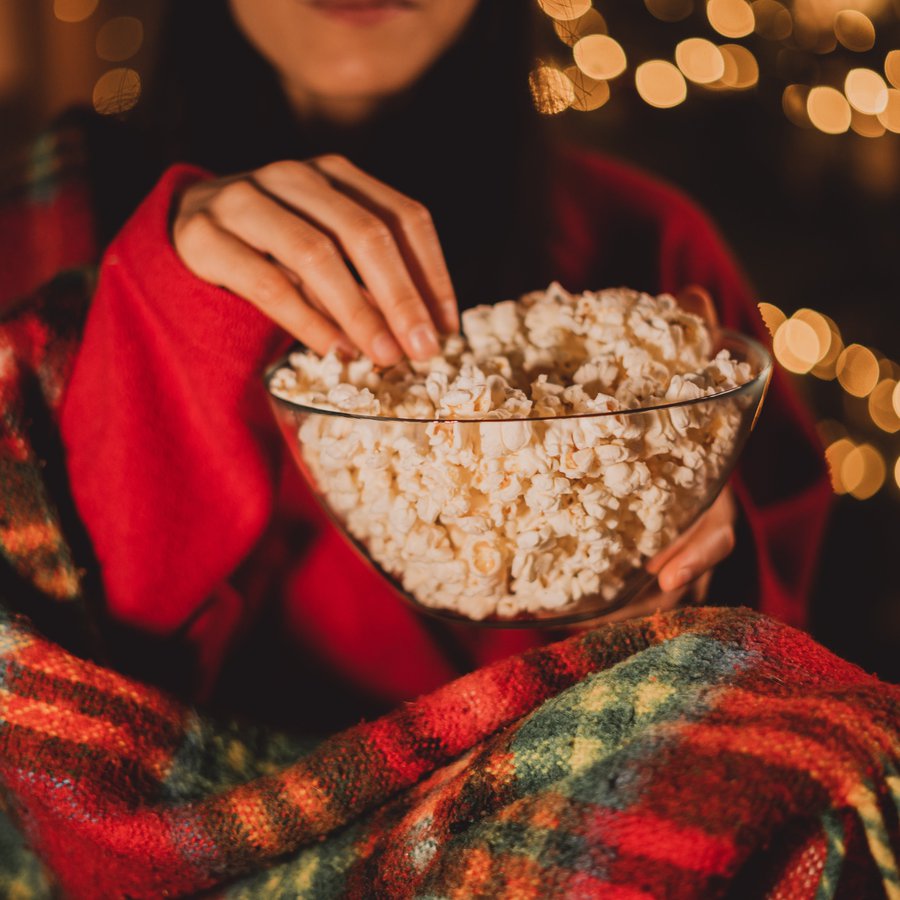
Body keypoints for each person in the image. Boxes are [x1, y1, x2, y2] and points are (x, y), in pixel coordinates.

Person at [9, 0, 831, 730]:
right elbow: (53, 678)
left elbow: (784, 631)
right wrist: (164, 293)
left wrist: (677, 581)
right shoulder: (43, 235)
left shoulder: (647, 244)